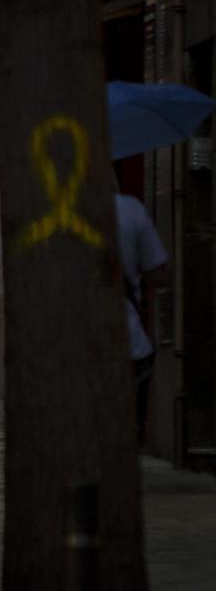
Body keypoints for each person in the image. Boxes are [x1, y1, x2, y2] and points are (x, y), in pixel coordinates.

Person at [116, 184, 168, 446]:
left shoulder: (53, 215)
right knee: (126, 435)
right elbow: (158, 273)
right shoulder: (130, 210)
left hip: (71, 348)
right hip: (128, 343)